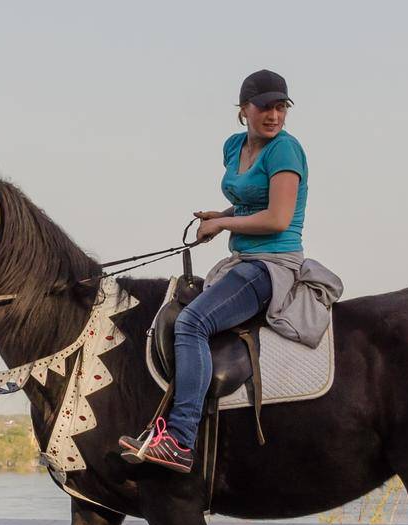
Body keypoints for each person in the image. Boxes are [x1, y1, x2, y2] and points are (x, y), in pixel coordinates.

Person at [120, 69, 308, 474]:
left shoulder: (285, 152)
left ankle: (181, 439)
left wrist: (223, 225)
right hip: (242, 261)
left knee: (191, 324)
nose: (273, 116)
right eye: (264, 107)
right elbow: (249, 204)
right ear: (244, 110)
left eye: (281, 107)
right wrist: (221, 214)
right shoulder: (233, 146)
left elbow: (277, 219)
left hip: (271, 264)